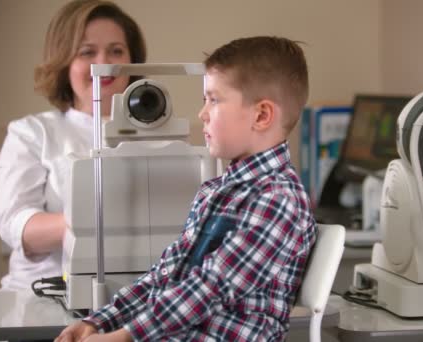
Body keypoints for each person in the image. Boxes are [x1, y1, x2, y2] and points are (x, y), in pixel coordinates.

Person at [55, 36, 316, 341]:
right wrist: (100, 321)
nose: (201, 113)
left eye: (214, 100)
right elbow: (166, 274)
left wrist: (125, 336)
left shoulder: (278, 200)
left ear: (261, 115)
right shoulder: (215, 191)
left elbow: (209, 287)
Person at [0, 0, 146, 291]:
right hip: (41, 296)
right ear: (64, 62)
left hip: (131, 302)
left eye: (116, 51)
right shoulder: (32, 133)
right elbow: (16, 227)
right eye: (88, 52)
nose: (105, 63)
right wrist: (107, 225)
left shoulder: (158, 138)